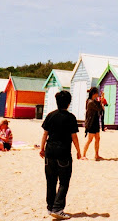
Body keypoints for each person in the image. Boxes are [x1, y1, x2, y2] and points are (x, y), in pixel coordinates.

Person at [40, 91, 81, 220]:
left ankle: (50, 207)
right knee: (64, 181)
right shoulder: (71, 117)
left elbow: (45, 134)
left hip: (50, 152)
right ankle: (57, 208)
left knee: (51, 181)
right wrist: (79, 151)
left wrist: (42, 149)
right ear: (69, 103)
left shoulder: (50, 115)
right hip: (63, 153)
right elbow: (74, 136)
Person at [81, 87, 103, 160]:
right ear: (94, 93)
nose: (98, 94)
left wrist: (101, 100)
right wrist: (101, 101)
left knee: (97, 138)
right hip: (91, 123)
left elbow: (99, 105)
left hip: (95, 122)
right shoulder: (90, 102)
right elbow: (99, 108)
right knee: (90, 139)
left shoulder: (93, 101)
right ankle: (83, 154)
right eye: (97, 93)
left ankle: (96, 155)